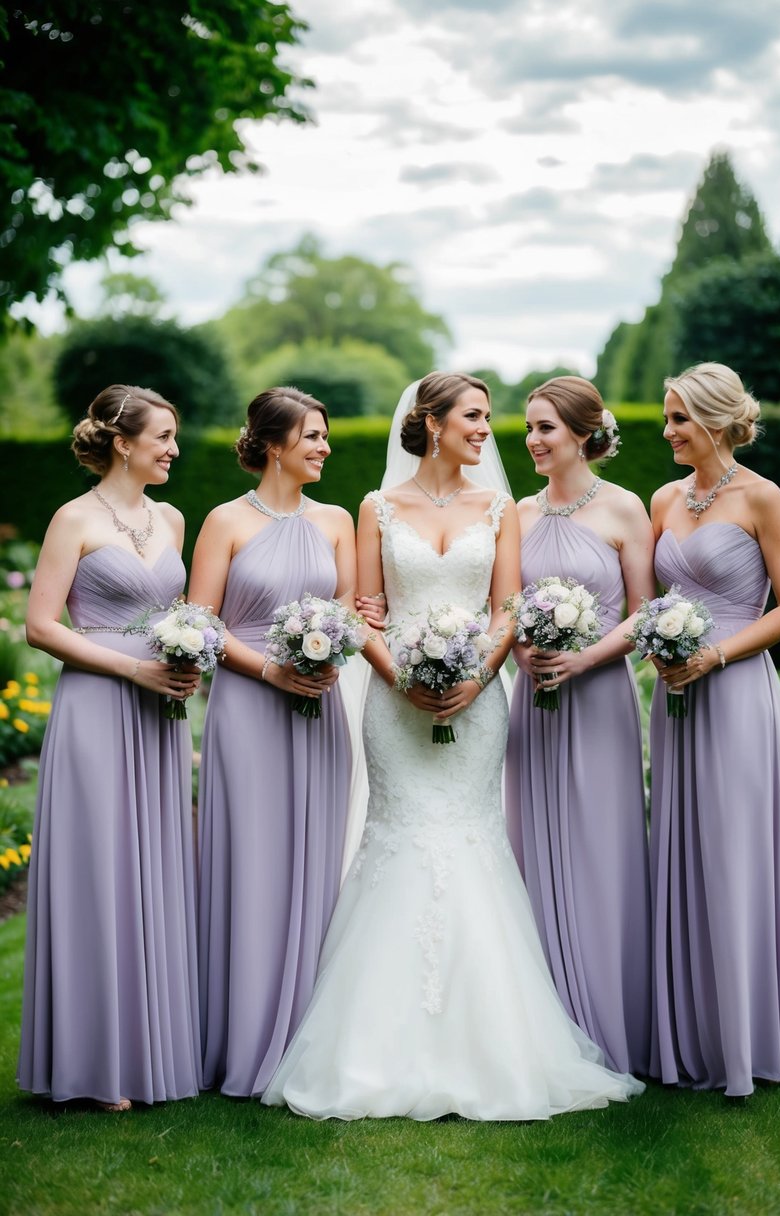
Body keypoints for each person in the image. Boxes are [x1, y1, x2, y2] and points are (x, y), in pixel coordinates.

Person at [260, 372, 644, 1120]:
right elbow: (362, 610)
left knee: (470, 840)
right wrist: (400, 676)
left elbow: (506, 609)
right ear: (430, 423)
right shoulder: (375, 508)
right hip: (392, 703)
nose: (486, 430)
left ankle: (496, 1044)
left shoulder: (500, 509)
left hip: (477, 702)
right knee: (397, 837)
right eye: (473, 416)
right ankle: (371, 1049)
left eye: (487, 418)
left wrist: (476, 678)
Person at [18, 384, 201, 1110]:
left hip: (159, 712)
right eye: (162, 437)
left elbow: (174, 613)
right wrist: (133, 667)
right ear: (123, 443)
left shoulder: (173, 518)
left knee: (151, 866)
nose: (174, 450)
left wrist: (185, 655)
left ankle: (149, 1045)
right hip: (99, 703)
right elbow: (40, 624)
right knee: (99, 867)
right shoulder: (73, 519)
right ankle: (92, 1064)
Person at [649, 361, 780, 1096]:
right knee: (683, 849)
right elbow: (642, 597)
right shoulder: (662, 498)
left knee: (736, 850)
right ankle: (691, 1035)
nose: (665, 432)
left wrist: (714, 654)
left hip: (734, 690)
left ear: (719, 422)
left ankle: (751, 1038)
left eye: (678, 420)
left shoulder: (762, 497)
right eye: (665, 419)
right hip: (673, 695)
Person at [190, 387, 355, 1097]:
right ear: (273, 443)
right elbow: (198, 623)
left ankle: (309, 1039)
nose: (322, 447)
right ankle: (240, 1039)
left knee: (315, 864)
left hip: (319, 709)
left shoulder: (339, 521)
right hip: (248, 710)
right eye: (311, 436)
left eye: (323, 437)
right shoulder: (225, 521)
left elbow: (352, 613)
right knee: (251, 866)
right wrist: (269, 669)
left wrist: (327, 656)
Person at [505, 376, 654, 1076]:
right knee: (530, 849)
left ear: (583, 433)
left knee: (604, 849)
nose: (532, 441)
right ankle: (543, 1030)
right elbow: (500, 608)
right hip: (531, 700)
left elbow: (642, 611)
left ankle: (616, 1024)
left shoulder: (624, 509)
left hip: (598, 701)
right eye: (529, 430)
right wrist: (525, 649)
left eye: (545, 429)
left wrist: (584, 656)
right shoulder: (516, 516)